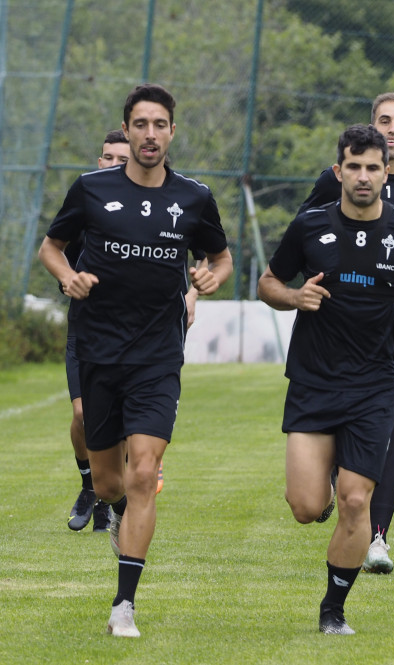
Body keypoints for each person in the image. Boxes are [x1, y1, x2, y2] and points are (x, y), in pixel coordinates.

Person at [39, 83, 233, 637]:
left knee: (144, 473)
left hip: (157, 355)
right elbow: (51, 247)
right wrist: (67, 276)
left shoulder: (194, 198)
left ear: (173, 131)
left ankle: (124, 603)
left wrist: (210, 278)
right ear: (126, 130)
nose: (150, 135)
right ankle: (116, 512)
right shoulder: (91, 190)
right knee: (109, 485)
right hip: (99, 351)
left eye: (160, 125)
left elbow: (219, 257)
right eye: (140, 125)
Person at [258, 124, 394, 635]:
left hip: (375, 383)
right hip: (313, 380)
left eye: (374, 167)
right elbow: (268, 282)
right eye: (355, 166)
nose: (364, 176)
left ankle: (333, 610)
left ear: (385, 172)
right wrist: (293, 297)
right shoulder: (309, 226)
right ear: (338, 172)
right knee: (307, 508)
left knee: (356, 500)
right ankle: (324, 497)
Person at [300, 92, 394, 574]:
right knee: (340, 443)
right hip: (335, 332)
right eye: (384, 120)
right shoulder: (333, 180)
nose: (392, 128)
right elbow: (306, 232)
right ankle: (333, 494)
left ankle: (378, 537)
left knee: (391, 431)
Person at [64, 130, 130, 533]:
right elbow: (60, 255)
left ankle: (109, 497)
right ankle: (90, 487)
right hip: (85, 330)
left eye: (120, 159)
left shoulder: (154, 208)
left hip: (134, 338)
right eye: (106, 157)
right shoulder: (85, 203)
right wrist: (69, 280)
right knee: (83, 414)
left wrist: (190, 297)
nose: (111, 164)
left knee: (119, 426)